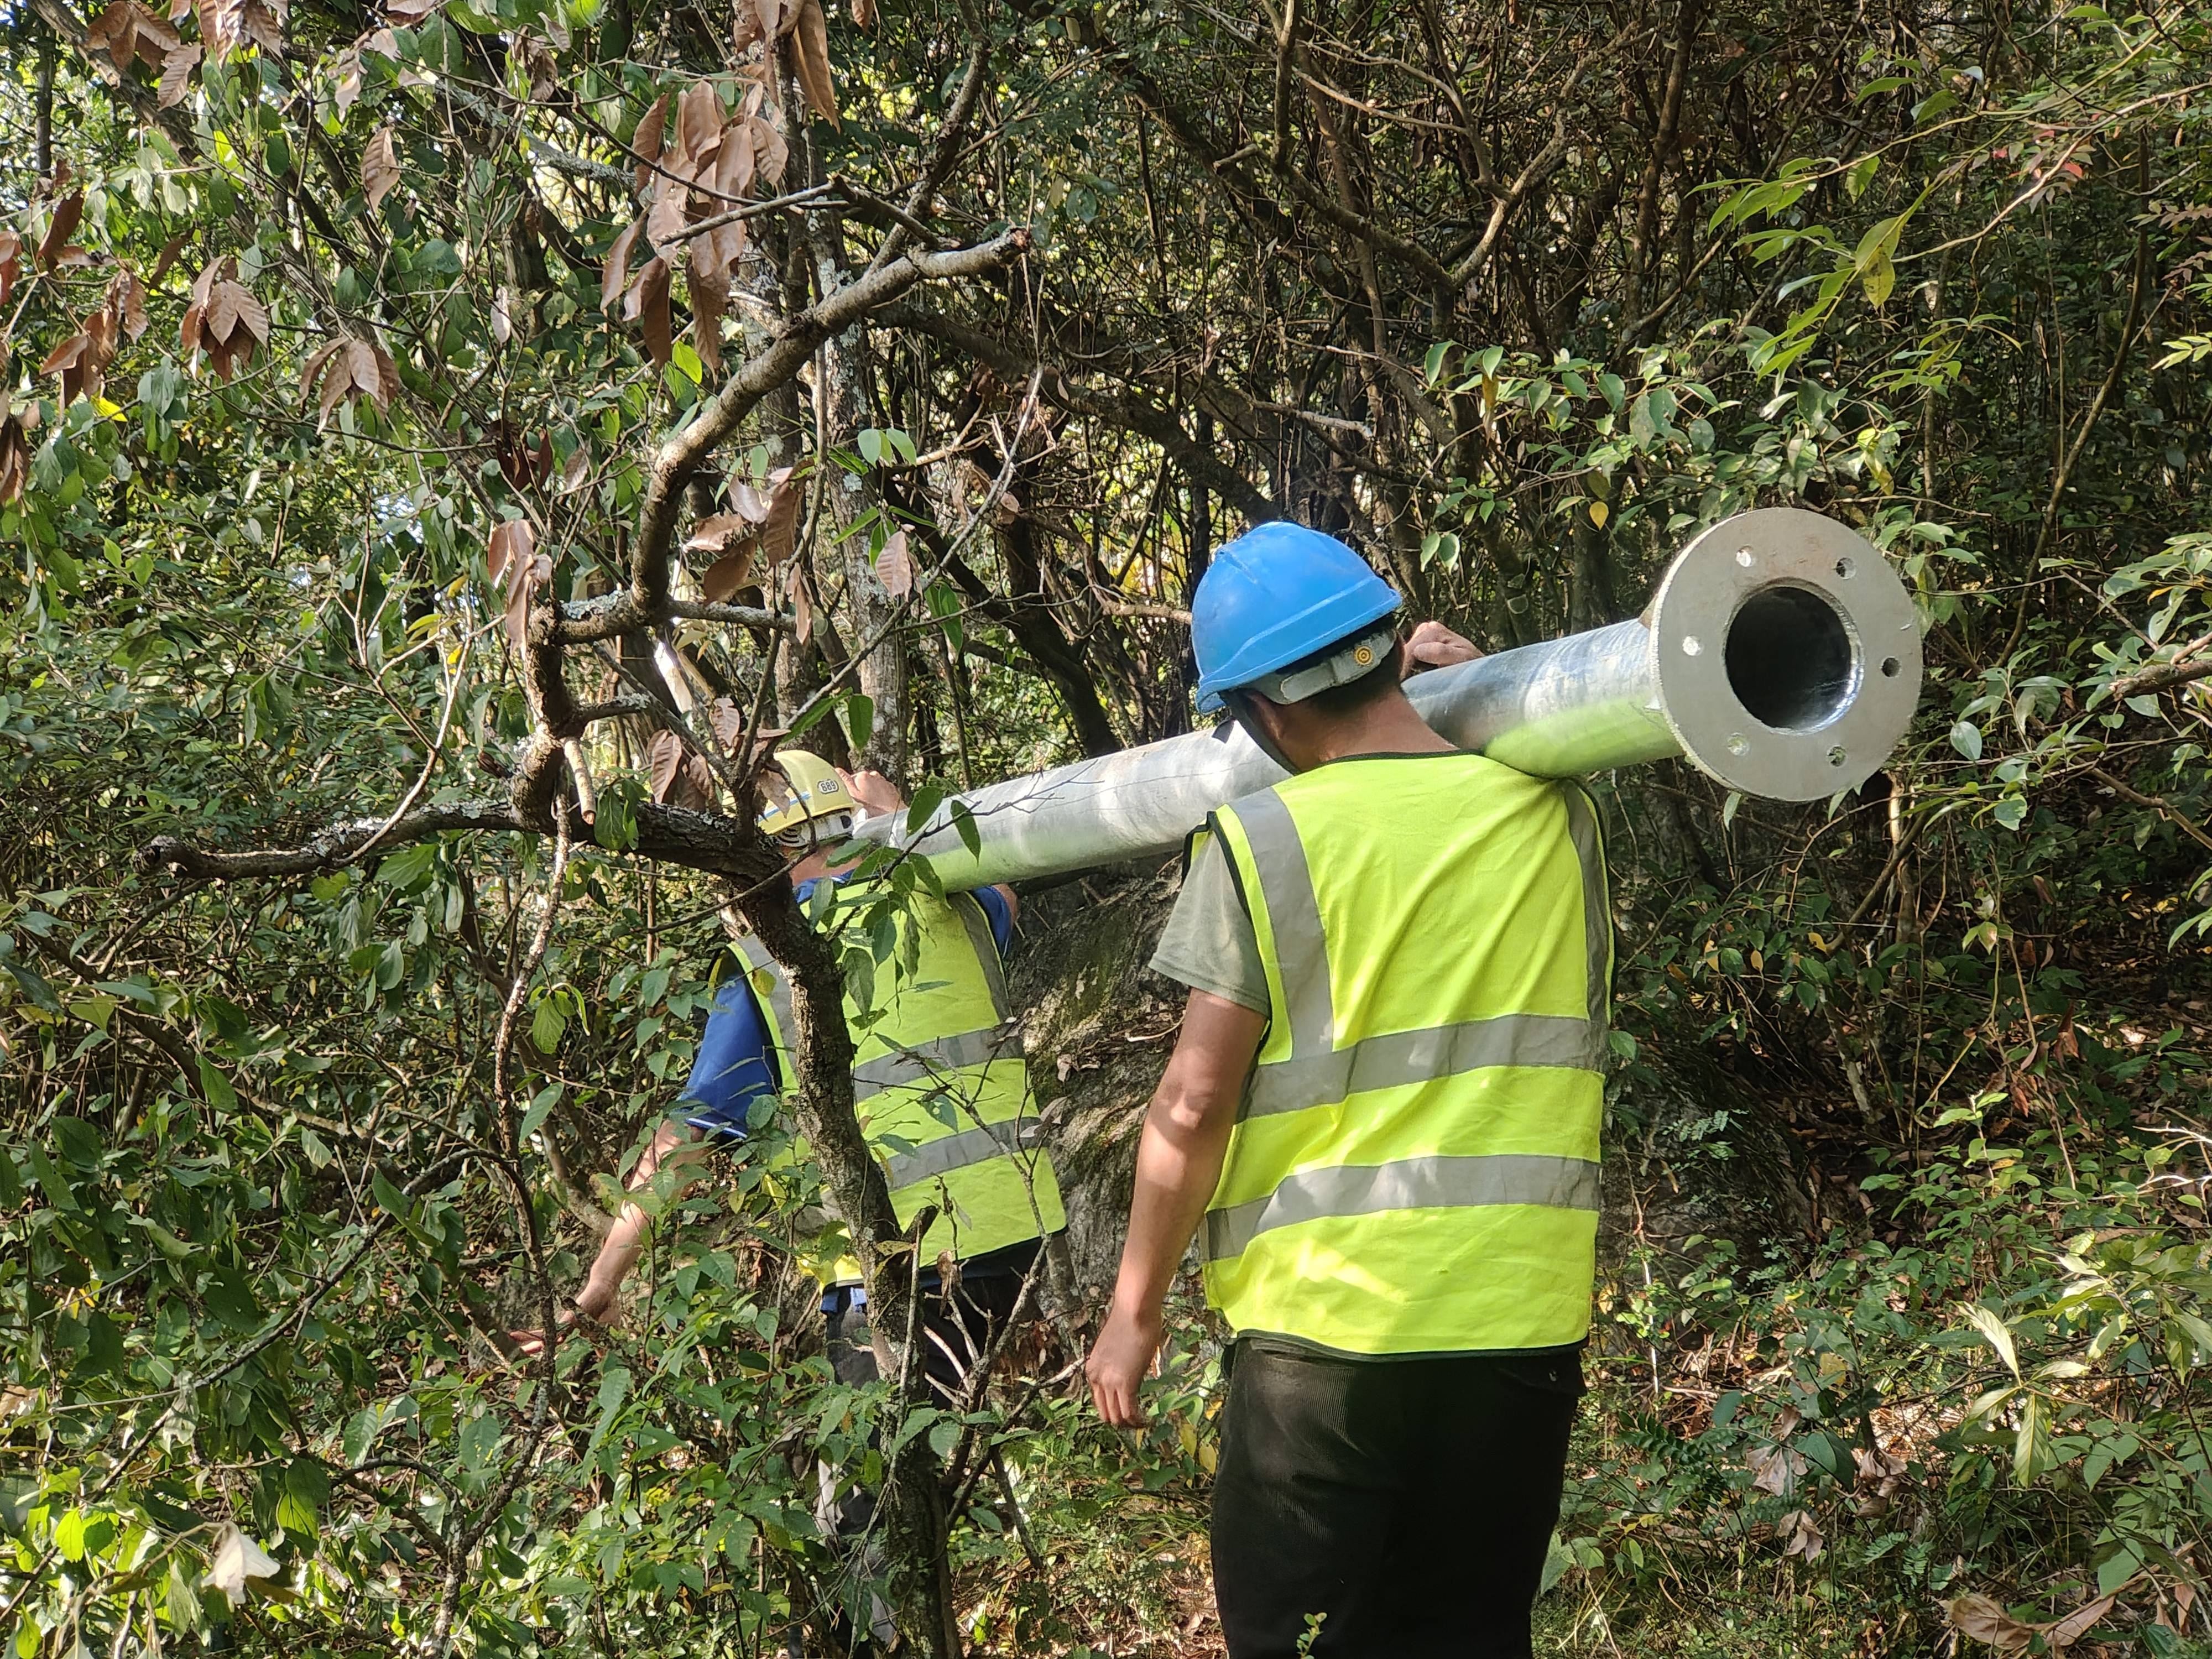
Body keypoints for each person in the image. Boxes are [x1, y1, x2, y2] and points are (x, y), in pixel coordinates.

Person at [1084, 522, 1611, 1658]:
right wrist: (1478, 695)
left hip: (1323, 1348)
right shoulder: (1553, 814)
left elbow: (1190, 1105)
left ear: (1261, 714)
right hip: (1515, 1331)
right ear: (1387, 643)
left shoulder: (1262, 839)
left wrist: (1132, 1316)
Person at [539, 751, 1067, 1404]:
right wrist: (901, 820)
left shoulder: (767, 963)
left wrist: (602, 1281)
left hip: (888, 1271)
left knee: (875, 1493)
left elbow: (690, 1139)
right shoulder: (952, 902)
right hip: (1020, 1241)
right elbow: (1006, 895)